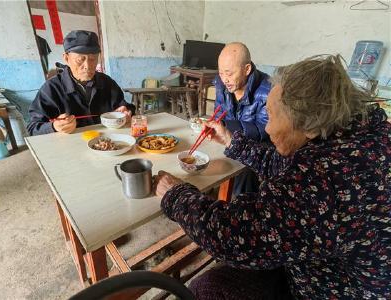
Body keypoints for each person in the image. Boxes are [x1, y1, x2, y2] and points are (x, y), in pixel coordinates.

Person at [154, 55, 391, 299]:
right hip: (323, 264)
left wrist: (176, 195)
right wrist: (231, 140)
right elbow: (285, 166)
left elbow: (235, 236)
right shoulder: (358, 137)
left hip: (331, 289)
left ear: (309, 126)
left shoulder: (324, 177)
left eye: (274, 116)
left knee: (208, 290)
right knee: (212, 283)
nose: (268, 128)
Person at [27, 30, 135, 136]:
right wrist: (54, 126)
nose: (87, 66)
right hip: (69, 147)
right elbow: (33, 127)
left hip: (105, 142)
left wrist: (127, 112)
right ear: (66, 58)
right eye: (80, 60)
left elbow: (125, 106)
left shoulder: (106, 82)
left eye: (92, 59)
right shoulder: (51, 88)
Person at [214, 42, 271, 195]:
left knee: (242, 171)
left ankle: (242, 206)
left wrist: (227, 126)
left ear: (247, 69)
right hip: (229, 140)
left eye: (229, 73)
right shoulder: (221, 84)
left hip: (257, 148)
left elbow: (264, 130)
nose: (224, 79)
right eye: (221, 73)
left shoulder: (268, 90)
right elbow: (218, 113)